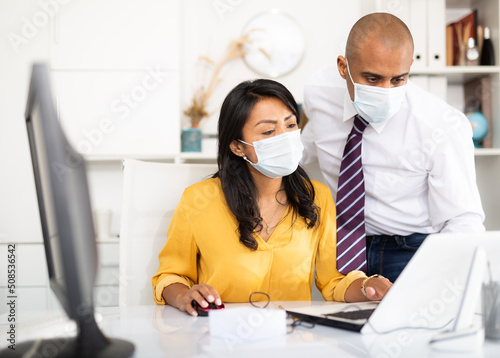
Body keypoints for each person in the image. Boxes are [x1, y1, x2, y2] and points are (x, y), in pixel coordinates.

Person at [152, 79, 392, 316]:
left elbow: (333, 282)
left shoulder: (317, 197)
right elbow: (171, 275)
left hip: (292, 336)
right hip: (221, 334)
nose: (284, 138)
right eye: (268, 131)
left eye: (290, 126)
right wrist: (184, 295)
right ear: (237, 146)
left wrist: (367, 286)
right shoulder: (198, 199)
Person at [301, 13, 485, 283]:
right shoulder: (319, 91)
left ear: (409, 66)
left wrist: (437, 281)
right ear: (343, 67)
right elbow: (307, 144)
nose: (386, 91)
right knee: (341, 324)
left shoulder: (441, 125)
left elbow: (463, 220)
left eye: (398, 79)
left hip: (409, 251)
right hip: (340, 247)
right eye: (373, 79)